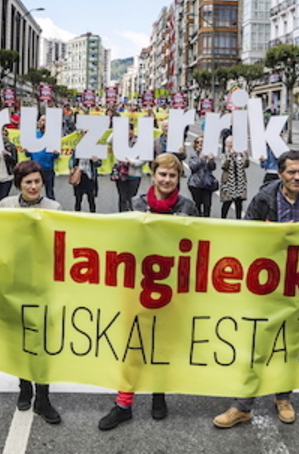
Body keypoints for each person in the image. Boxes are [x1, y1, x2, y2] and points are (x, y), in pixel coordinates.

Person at [213, 149, 299, 428]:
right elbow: (246, 235)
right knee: (258, 342)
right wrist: (273, 235)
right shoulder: (264, 199)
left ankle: (283, 398)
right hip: (267, 285)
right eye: (291, 172)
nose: (297, 177)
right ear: (280, 173)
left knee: (290, 343)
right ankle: (242, 405)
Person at [99, 153, 197, 430]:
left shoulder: (188, 207)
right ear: (153, 176)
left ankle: (158, 395)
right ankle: (123, 404)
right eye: (162, 174)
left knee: (163, 343)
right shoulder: (135, 204)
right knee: (131, 343)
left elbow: (200, 243)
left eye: (172, 175)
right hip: (138, 285)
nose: (166, 180)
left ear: (178, 178)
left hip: (172, 286)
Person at [0, 161, 62, 424]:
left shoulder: (55, 208)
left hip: (44, 284)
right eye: (28, 182)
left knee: (43, 340)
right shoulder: (5, 206)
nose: (34, 186)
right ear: (19, 185)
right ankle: (24, 386)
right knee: (20, 337)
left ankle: (43, 397)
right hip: (16, 282)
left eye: (37, 181)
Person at [111, 122, 144, 212]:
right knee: (122, 196)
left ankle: (131, 214)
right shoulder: (119, 140)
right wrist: (117, 131)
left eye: (129, 130)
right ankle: (122, 216)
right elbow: (108, 141)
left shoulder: (139, 142)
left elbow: (143, 160)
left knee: (132, 197)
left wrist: (131, 162)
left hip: (134, 174)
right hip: (121, 174)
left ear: (133, 131)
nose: (127, 132)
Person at [26, 115, 59, 200]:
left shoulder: (53, 136)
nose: (43, 122)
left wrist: (56, 153)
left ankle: (52, 211)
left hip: (48, 168)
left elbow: (56, 156)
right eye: (41, 120)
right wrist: (27, 151)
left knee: (50, 193)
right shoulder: (33, 135)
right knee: (34, 191)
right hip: (35, 168)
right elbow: (28, 155)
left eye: (45, 120)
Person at [219, 136, 249, 219]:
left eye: (232, 142)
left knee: (239, 203)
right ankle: (223, 219)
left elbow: (246, 165)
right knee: (227, 202)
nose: (231, 144)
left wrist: (246, 155)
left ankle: (238, 220)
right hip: (228, 182)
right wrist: (229, 156)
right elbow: (224, 166)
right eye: (229, 142)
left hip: (239, 181)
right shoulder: (224, 154)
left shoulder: (240, 154)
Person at [187, 135, 217, 217]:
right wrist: (200, 159)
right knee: (197, 205)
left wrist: (211, 161)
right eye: (198, 142)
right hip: (196, 184)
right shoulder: (193, 155)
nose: (200, 144)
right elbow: (192, 167)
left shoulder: (208, 154)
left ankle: (206, 222)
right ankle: (198, 220)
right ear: (195, 145)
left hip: (207, 184)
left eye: (202, 142)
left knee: (207, 205)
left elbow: (213, 168)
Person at [0, 126, 18, 203]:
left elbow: (15, 161)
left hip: (8, 175)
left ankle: (4, 211)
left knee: (4, 196)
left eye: (5, 134)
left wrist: (7, 155)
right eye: (1, 135)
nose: (3, 137)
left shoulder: (11, 146)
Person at [69, 146, 101, 212]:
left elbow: (99, 163)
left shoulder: (94, 149)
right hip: (79, 175)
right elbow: (72, 159)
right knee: (78, 198)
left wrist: (96, 161)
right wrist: (71, 167)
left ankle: (92, 217)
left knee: (91, 199)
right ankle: (77, 216)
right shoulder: (77, 148)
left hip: (90, 177)